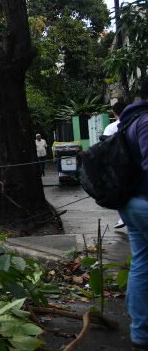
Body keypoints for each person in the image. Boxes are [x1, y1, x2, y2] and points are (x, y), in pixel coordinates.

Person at [117, 81, 148, 350]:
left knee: (142, 263)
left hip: (131, 202)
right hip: (144, 202)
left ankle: (140, 331)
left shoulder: (130, 120)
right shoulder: (146, 121)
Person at [103, 101, 128, 229]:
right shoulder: (139, 123)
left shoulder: (111, 128)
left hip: (119, 166)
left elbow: (104, 149)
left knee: (122, 193)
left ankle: (124, 217)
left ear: (114, 112)